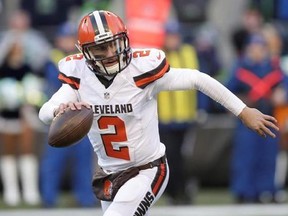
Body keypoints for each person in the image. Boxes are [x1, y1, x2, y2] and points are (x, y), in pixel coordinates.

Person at [39, 10, 279, 216]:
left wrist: (243, 110)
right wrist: (59, 110)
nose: (111, 52)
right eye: (102, 47)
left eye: (115, 43)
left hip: (147, 169)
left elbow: (197, 78)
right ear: (85, 51)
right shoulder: (78, 76)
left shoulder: (141, 70)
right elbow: (45, 112)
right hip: (109, 175)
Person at [39, 21, 97, 208]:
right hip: (61, 116)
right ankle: (48, 198)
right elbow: (53, 89)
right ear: (59, 40)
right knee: (55, 160)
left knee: (83, 161)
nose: (68, 41)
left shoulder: (83, 61)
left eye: (71, 38)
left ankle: (85, 198)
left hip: (81, 116)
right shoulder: (53, 60)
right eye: (65, 38)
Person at [226, 33, 285, 203]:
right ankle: (243, 191)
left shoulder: (274, 69)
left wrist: (282, 93)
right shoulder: (241, 70)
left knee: (267, 158)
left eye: (261, 48)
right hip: (247, 121)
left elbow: (284, 85)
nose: (257, 52)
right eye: (254, 48)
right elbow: (227, 91)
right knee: (245, 157)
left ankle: (267, 190)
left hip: (268, 118)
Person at [157, 20, 198, 205]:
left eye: (175, 36)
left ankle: (185, 191)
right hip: (165, 117)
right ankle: (173, 192)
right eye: (170, 36)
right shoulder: (158, 56)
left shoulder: (188, 52)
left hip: (186, 117)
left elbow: (199, 80)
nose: (173, 40)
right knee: (169, 157)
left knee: (184, 158)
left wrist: (200, 108)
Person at [0, 35, 42, 206]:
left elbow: (34, 92)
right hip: (6, 117)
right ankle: (11, 192)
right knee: (7, 152)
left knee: (27, 152)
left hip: (25, 117)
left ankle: (30, 192)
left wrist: (29, 99)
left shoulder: (27, 68)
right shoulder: (2, 70)